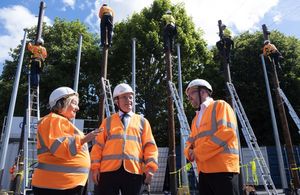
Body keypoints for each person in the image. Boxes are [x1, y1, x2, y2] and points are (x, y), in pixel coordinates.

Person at [91, 83, 158, 195]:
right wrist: (95, 169)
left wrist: (150, 168)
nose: (129, 100)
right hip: (108, 172)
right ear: (117, 101)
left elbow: (150, 146)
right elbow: (98, 146)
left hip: (134, 171)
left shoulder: (142, 122)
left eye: (130, 97)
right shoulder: (107, 122)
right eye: (124, 97)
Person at [31, 87, 101, 195]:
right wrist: (85, 139)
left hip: (62, 184)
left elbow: (71, 147)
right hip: (57, 186)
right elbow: (59, 148)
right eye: (74, 103)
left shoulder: (59, 121)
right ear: (62, 103)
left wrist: (88, 141)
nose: (77, 108)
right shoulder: (54, 119)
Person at [184, 79, 240, 195]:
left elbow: (226, 133)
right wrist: (188, 152)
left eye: (191, 94)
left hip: (223, 169)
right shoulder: (195, 119)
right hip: (204, 172)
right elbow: (190, 141)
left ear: (203, 92)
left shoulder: (220, 105)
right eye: (188, 96)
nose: (189, 98)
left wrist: (197, 152)